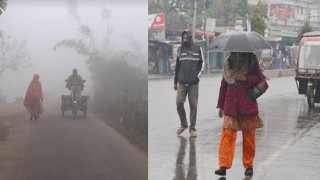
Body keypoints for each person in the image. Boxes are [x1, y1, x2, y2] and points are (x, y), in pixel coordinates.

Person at [215, 52, 267, 177]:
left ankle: (249, 166)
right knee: (227, 134)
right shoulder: (228, 62)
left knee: (248, 137)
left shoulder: (251, 60)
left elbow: (260, 80)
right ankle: (223, 165)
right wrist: (221, 105)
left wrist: (245, 78)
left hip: (247, 104)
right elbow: (224, 85)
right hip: (230, 104)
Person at [174, 30, 204, 138]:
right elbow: (177, 66)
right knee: (179, 102)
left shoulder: (197, 48)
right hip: (181, 82)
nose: (184, 40)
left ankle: (192, 128)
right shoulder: (179, 49)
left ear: (190, 38)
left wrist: (196, 76)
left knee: (193, 106)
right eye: (183, 38)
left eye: (186, 38)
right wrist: (175, 81)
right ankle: (184, 124)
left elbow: (202, 64)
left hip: (193, 83)